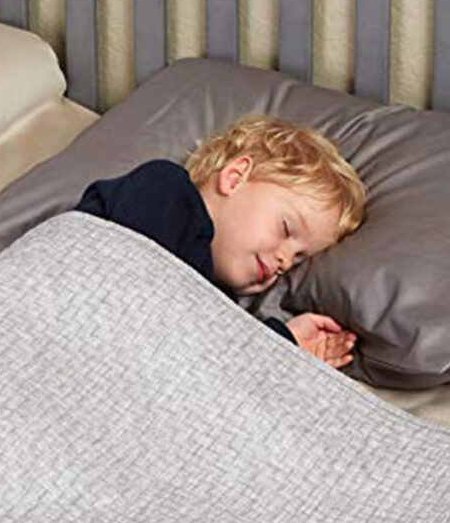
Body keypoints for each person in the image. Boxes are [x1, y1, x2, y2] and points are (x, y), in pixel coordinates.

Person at [74, 115, 366, 369]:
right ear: (235, 177)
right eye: (285, 228)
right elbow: (145, 316)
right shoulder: (164, 190)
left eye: (298, 259)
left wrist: (284, 345)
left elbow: (206, 364)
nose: (285, 261)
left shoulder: (222, 301)